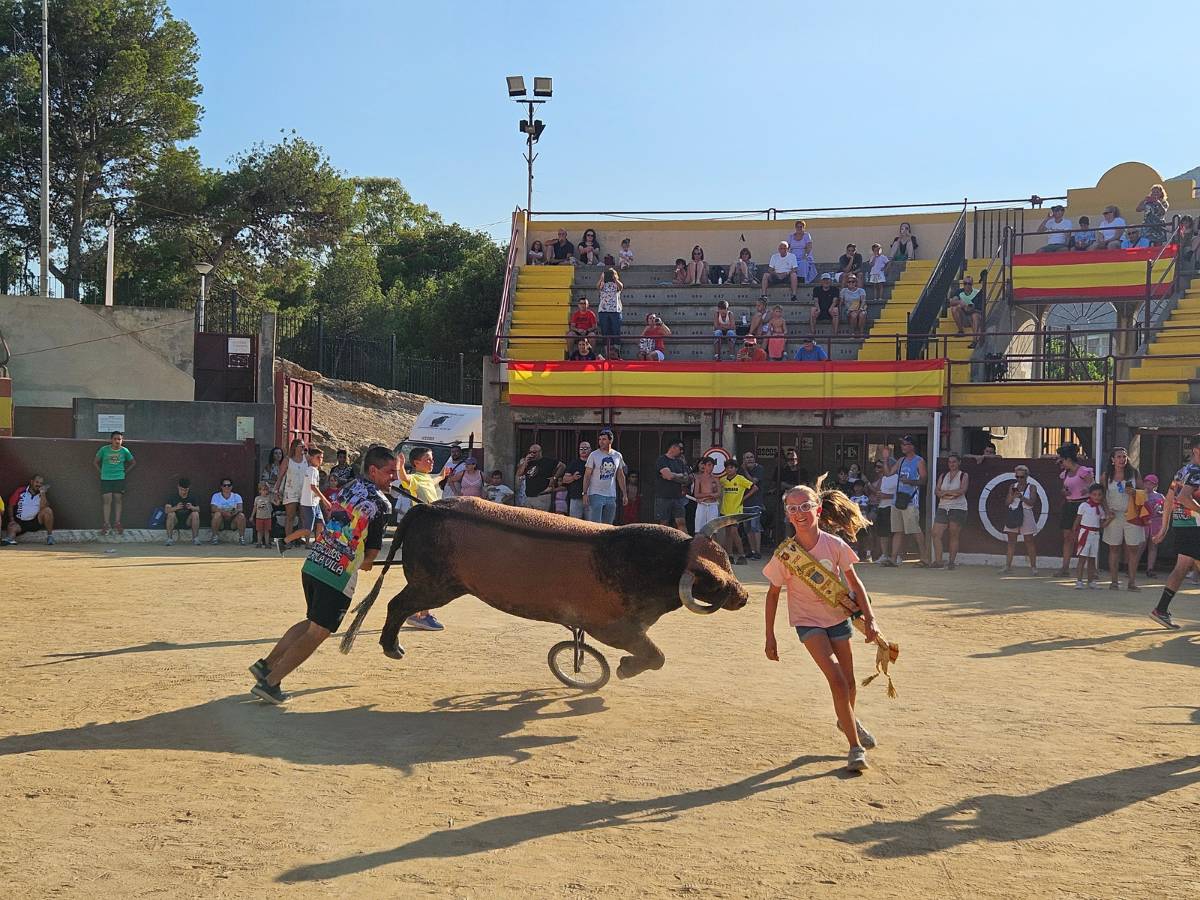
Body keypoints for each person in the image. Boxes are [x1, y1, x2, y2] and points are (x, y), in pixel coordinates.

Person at [248, 445, 397, 704]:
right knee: (318, 632)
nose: (393, 477)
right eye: (389, 472)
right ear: (373, 471)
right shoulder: (380, 504)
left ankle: (267, 665)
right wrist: (367, 562)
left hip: (315, 562)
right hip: (337, 574)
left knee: (311, 623)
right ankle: (270, 683)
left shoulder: (348, 487)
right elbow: (370, 556)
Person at [763, 484, 880, 772]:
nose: (799, 513)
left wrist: (871, 618)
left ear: (817, 509)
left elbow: (855, 583)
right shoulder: (786, 555)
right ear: (788, 516)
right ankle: (855, 747)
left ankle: (845, 720)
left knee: (850, 683)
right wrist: (770, 635)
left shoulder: (835, 545)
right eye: (793, 508)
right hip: (807, 622)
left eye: (805, 506)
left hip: (838, 618)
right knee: (838, 680)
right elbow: (773, 593)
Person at [393, 446, 446, 632]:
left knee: (427, 572)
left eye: (432, 459)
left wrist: (443, 474)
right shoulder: (415, 478)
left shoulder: (427, 478)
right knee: (429, 572)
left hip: (432, 528)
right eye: (428, 459)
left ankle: (418, 612)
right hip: (425, 530)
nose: (431, 462)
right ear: (416, 463)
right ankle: (423, 614)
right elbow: (405, 479)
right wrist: (400, 467)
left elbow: (436, 479)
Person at [1150, 440, 1200, 628]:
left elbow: (1170, 499)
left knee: (1182, 567)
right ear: (1196, 450)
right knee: (1182, 568)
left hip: (1183, 524)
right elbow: (1183, 498)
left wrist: (1164, 527)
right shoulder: (1196, 472)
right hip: (1194, 525)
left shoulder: (1182, 471)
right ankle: (1160, 609)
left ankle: (1161, 609)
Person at [1101, 447, 1144, 591]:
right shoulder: (1106, 476)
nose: (1122, 459)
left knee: (1133, 549)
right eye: (1118, 457)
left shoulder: (1133, 473)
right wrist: (1107, 512)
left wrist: (1134, 493)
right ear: (1112, 460)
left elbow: (1144, 493)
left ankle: (1131, 582)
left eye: (1124, 457)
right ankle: (1114, 581)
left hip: (1131, 514)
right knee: (1114, 548)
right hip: (1114, 515)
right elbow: (1101, 496)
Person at [278, 447, 330, 550]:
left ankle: (318, 545)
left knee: (320, 524)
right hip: (308, 504)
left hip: (314, 503)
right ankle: (284, 541)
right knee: (307, 530)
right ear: (311, 458)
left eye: (321, 457)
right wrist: (324, 499)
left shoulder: (314, 470)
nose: (320, 460)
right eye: (318, 457)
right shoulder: (311, 470)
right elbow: (313, 487)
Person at [1055, 443, 1095, 577]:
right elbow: (1065, 488)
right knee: (1067, 537)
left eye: (1062, 459)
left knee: (1083, 538)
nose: (1060, 462)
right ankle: (1065, 568)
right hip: (1069, 505)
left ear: (1067, 459)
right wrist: (1064, 492)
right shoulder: (1065, 473)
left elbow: (1094, 486)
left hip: (1082, 506)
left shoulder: (1083, 471)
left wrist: (1088, 490)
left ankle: (1089, 570)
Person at [890, 435, 928, 566]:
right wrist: (884, 460)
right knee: (897, 530)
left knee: (915, 530)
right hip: (898, 499)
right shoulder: (901, 460)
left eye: (905, 444)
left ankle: (924, 558)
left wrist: (909, 481)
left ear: (912, 446)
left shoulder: (919, 461)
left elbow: (923, 480)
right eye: (903, 444)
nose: (903, 447)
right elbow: (888, 473)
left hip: (910, 500)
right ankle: (893, 559)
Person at [931, 453, 968, 569]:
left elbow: (962, 491)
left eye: (954, 462)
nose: (951, 464)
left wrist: (945, 493)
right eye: (950, 462)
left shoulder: (963, 475)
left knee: (954, 534)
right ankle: (938, 561)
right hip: (943, 507)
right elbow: (937, 491)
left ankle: (951, 562)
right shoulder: (943, 475)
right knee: (935, 533)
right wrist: (951, 494)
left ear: (959, 463)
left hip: (957, 507)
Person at [94, 431, 135, 535]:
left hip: (119, 478)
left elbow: (133, 462)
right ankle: (106, 524)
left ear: (122, 440)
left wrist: (125, 472)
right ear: (111, 440)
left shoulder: (124, 451)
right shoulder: (104, 450)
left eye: (119, 439)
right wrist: (101, 472)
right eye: (115, 439)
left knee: (118, 500)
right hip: (106, 479)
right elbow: (95, 462)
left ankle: (117, 523)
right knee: (107, 501)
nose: (117, 441)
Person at [1001, 464, 1039, 575]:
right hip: (1013, 512)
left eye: (1021, 477)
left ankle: (1033, 567)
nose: (1019, 479)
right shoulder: (1013, 486)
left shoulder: (1032, 487)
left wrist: (1021, 497)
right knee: (1011, 542)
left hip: (1026, 513)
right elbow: (1007, 503)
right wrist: (1013, 496)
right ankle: (1007, 566)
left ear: (1026, 476)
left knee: (1029, 541)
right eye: (1017, 477)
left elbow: (1032, 502)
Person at [583, 428, 627, 525]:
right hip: (595, 493)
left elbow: (620, 475)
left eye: (604, 439)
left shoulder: (617, 455)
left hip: (611, 494)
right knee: (595, 524)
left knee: (608, 524)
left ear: (610, 440)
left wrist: (624, 494)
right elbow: (587, 475)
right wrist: (585, 493)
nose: (601, 442)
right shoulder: (594, 455)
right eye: (599, 439)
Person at [1073, 483, 1109, 590]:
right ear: (1090, 494)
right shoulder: (1084, 506)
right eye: (1094, 494)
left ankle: (1091, 581)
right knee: (1082, 558)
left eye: (1099, 495)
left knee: (1092, 559)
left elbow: (1102, 525)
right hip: (1084, 533)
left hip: (1095, 534)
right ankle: (1079, 581)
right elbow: (1077, 520)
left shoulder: (1101, 509)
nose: (1097, 497)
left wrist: (1110, 519)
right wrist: (1074, 533)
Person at [718, 459, 754, 564]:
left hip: (736, 510)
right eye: (727, 468)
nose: (729, 470)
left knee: (734, 532)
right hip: (725, 510)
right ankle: (729, 556)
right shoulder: (723, 480)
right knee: (728, 534)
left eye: (731, 467)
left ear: (736, 469)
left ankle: (742, 556)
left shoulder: (740, 479)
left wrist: (744, 498)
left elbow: (754, 487)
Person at [4, 474, 54, 546]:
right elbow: (11, 505)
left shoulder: (42, 494)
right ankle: (9, 539)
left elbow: (44, 507)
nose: (39, 485)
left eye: (41, 483)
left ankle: (50, 537)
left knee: (48, 510)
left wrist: (43, 493)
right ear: (31, 482)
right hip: (20, 522)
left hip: (35, 521)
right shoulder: (21, 490)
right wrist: (12, 519)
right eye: (37, 482)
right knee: (11, 527)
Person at [274, 438, 307, 540]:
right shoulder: (288, 460)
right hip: (291, 491)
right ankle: (288, 540)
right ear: (295, 447)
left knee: (304, 517)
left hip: (304, 490)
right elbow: (280, 477)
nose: (303, 448)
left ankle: (302, 539)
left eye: (303, 446)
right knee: (290, 516)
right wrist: (276, 491)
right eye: (301, 446)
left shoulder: (307, 458)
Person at [516, 443, 564, 512]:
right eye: (530, 452)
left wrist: (554, 478)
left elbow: (562, 466)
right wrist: (525, 462)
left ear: (540, 452)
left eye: (534, 452)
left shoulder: (548, 461)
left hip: (542, 496)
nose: (532, 454)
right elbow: (519, 474)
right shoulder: (528, 462)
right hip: (529, 496)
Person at [655, 439, 691, 531]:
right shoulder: (662, 460)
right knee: (664, 523)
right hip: (664, 497)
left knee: (681, 522)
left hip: (678, 497)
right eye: (680, 448)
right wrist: (679, 476)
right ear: (673, 447)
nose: (682, 451)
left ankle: (685, 543)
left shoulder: (680, 462)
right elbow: (668, 476)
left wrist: (675, 475)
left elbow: (687, 478)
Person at [741, 450, 766, 561]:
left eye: (751, 457)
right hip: (744, 504)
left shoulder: (759, 469)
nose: (750, 459)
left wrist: (745, 470)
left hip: (755, 503)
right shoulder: (740, 471)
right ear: (743, 460)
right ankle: (752, 551)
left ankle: (758, 552)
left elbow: (753, 482)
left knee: (755, 527)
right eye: (747, 457)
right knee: (748, 528)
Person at [163, 477, 200, 546]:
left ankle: (195, 538)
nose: (183, 492)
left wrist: (192, 507)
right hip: (176, 521)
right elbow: (166, 510)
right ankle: (169, 539)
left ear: (188, 488)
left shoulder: (192, 497)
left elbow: (198, 509)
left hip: (188, 521)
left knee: (195, 514)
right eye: (181, 490)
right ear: (178, 487)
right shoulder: (172, 497)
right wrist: (176, 508)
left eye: (185, 490)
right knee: (171, 514)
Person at [595, 268, 624, 359]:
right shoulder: (603, 284)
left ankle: (616, 353)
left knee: (616, 331)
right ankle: (607, 353)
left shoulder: (616, 284)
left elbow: (621, 287)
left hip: (615, 311)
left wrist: (615, 279)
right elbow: (598, 287)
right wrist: (602, 278)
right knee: (605, 332)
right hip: (603, 311)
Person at [210, 478, 248, 546]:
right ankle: (214, 537)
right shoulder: (216, 496)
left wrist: (235, 511)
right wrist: (223, 512)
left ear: (231, 486)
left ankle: (241, 538)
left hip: (233, 520)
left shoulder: (237, 496)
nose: (227, 487)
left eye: (229, 485)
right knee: (216, 514)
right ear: (221, 487)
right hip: (221, 521)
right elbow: (213, 508)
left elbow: (240, 508)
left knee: (241, 516)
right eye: (224, 485)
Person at [948, 275, 983, 347]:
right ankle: (961, 331)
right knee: (955, 308)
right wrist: (960, 302)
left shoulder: (978, 293)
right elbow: (951, 303)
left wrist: (970, 308)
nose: (967, 285)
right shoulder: (959, 292)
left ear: (972, 284)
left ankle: (974, 340)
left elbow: (980, 310)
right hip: (964, 317)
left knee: (975, 316)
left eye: (969, 283)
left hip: (974, 316)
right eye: (965, 283)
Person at [1141, 473, 1164, 578]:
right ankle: (1132, 566)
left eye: (1151, 484)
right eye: (1147, 483)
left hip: (1156, 523)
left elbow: (1164, 509)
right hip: (1144, 523)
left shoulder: (1160, 496)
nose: (1148, 485)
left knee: (1153, 546)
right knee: (1141, 545)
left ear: (1156, 485)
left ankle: (1150, 569)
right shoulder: (1140, 495)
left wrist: (1161, 512)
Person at [562, 439, 591, 518]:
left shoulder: (594, 463)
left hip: (591, 498)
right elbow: (564, 480)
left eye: (586, 448)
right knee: (574, 524)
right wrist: (573, 477)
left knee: (591, 524)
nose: (583, 450)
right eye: (581, 449)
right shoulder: (574, 463)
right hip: (576, 497)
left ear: (590, 450)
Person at [692, 456, 721, 534]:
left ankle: (713, 546)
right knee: (699, 530)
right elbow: (696, 494)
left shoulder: (716, 478)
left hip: (713, 505)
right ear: (704, 465)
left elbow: (718, 494)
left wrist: (704, 497)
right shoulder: (698, 478)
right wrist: (710, 494)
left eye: (712, 465)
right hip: (702, 505)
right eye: (709, 465)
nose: (711, 467)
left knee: (713, 531)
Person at [251, 482, 274, 548]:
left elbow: (276, 503)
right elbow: (255, 507)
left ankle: (267, 543)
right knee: (259, 531)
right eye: (263, 490)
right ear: (260, 490)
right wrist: (252, 516)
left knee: (267, 531)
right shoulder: (257, 498)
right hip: (259, 517)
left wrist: (277, 498)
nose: (265, 491)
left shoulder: (269, 498)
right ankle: (259, 543)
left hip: (267, 517)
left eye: (266, 490)